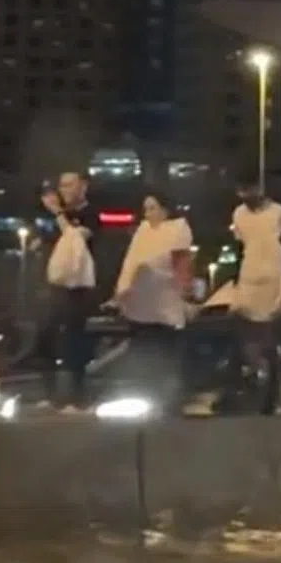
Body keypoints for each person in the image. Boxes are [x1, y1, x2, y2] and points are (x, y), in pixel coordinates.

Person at [106, 192, 195, 407]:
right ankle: (145, 395)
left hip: (165, 303)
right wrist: (121, 292)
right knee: (143, 352)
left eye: (152, 208)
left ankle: (167, 399)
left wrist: (185, 295)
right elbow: (130, 264)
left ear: (165, 209)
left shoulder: (177, 229)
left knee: (165, 352)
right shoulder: (143, 231)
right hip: (140, 305)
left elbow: (182, 266)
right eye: (145, 209)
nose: (147, 213)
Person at [223, 170, 281, 415]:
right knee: (242, 336)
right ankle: (239, 391)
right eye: (240, 191)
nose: (244, 195)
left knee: (271, 342)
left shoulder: (279, 213)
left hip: (273, 278)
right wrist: (235, 285)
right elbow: (238, 248)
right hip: (249, 278)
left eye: (248, 189)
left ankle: (272, 397)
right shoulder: (239, 214)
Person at [38, 170, 100, 413]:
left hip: (79, 287)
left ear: (83, 186)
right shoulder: (56, 216)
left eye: (69, 184)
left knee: (76, 339)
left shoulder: (90, 214)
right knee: (46, 337)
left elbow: (76, 238)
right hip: (54, 286)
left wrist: (58, 213)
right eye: (62, 185)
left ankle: (78, 397)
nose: (64, 190)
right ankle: (50, 394)